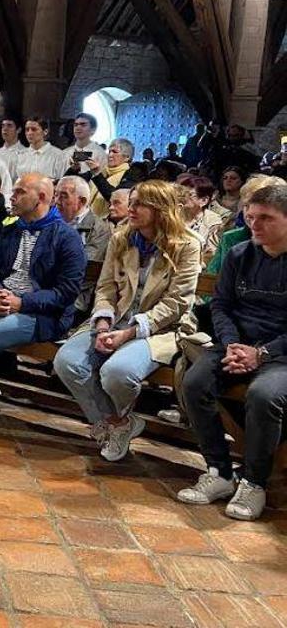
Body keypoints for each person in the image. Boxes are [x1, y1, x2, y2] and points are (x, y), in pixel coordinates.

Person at [53, 180, 201, 461]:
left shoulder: (187, 245)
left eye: (139, 204)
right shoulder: (121, 237)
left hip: (158, 329)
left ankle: (114, 422)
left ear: (160, 209)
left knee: (117, 372)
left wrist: (129, 333)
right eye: (130, 202)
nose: (130, 209)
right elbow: (106, 287)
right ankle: (118, 423)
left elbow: (177, 303)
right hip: (116, 319)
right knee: (67, 362)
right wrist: (103, 325)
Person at [0, 174, 87, 438]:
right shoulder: (11, 229)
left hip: (40, 313)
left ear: (41, 198)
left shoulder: (66, 237)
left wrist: (22, 302)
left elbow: (66, 293)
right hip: (3, 297)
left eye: (20, 192)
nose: (12, 196)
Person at [176, 185, 287, 521]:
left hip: (280, 353)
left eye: (265, 218)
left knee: (264, 395)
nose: (255, 224)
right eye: (250, 217)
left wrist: (262, 353)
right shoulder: (240, 254)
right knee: (193, 383)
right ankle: (220, 471)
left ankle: (254, 481)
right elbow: (221, 305)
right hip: (236, 345)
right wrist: (233, 344)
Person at [56, 176, 112, 321]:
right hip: (46, 288)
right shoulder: (52, 222)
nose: (56, 201)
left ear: (82, 201)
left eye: (63, 196)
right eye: (55, 195)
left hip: (75, 295)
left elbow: (86, 268)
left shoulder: (99, 228)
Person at [81, 138, 138, 218]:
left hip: (109, 224)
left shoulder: (131, 175)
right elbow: (78, 183)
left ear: (127, 157)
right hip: (88, 219)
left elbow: (115, 198)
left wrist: (97, 174)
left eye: (115, 152)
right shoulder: (101, 170)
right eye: (109, 151)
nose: (110, 155)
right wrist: (74, 168)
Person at [178, 175, 223, 262]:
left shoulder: (213, 221)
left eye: (189, 194)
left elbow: (211, 254)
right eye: (182, 194)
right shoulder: (173, 215)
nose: (183, 198)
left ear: (204, 200)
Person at [62, 112, 106, 176]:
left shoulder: (100, 154)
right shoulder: (65, 153)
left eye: (83, 125)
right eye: (76, 125)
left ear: (93, 129)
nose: (78, 128)